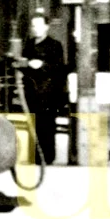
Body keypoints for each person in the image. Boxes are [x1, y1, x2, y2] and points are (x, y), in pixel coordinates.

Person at [19, 14, 69, 165]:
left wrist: (42, 65)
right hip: (32, 91)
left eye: (39, 25)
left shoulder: (55, 45)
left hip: (48, 93)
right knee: (32, 122)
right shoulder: (28, 45)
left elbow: (59, 68)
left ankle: (47, 157)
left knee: (46, 124)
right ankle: (33, 155)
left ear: (47, 27)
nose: (36, 29)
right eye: (33, 26)